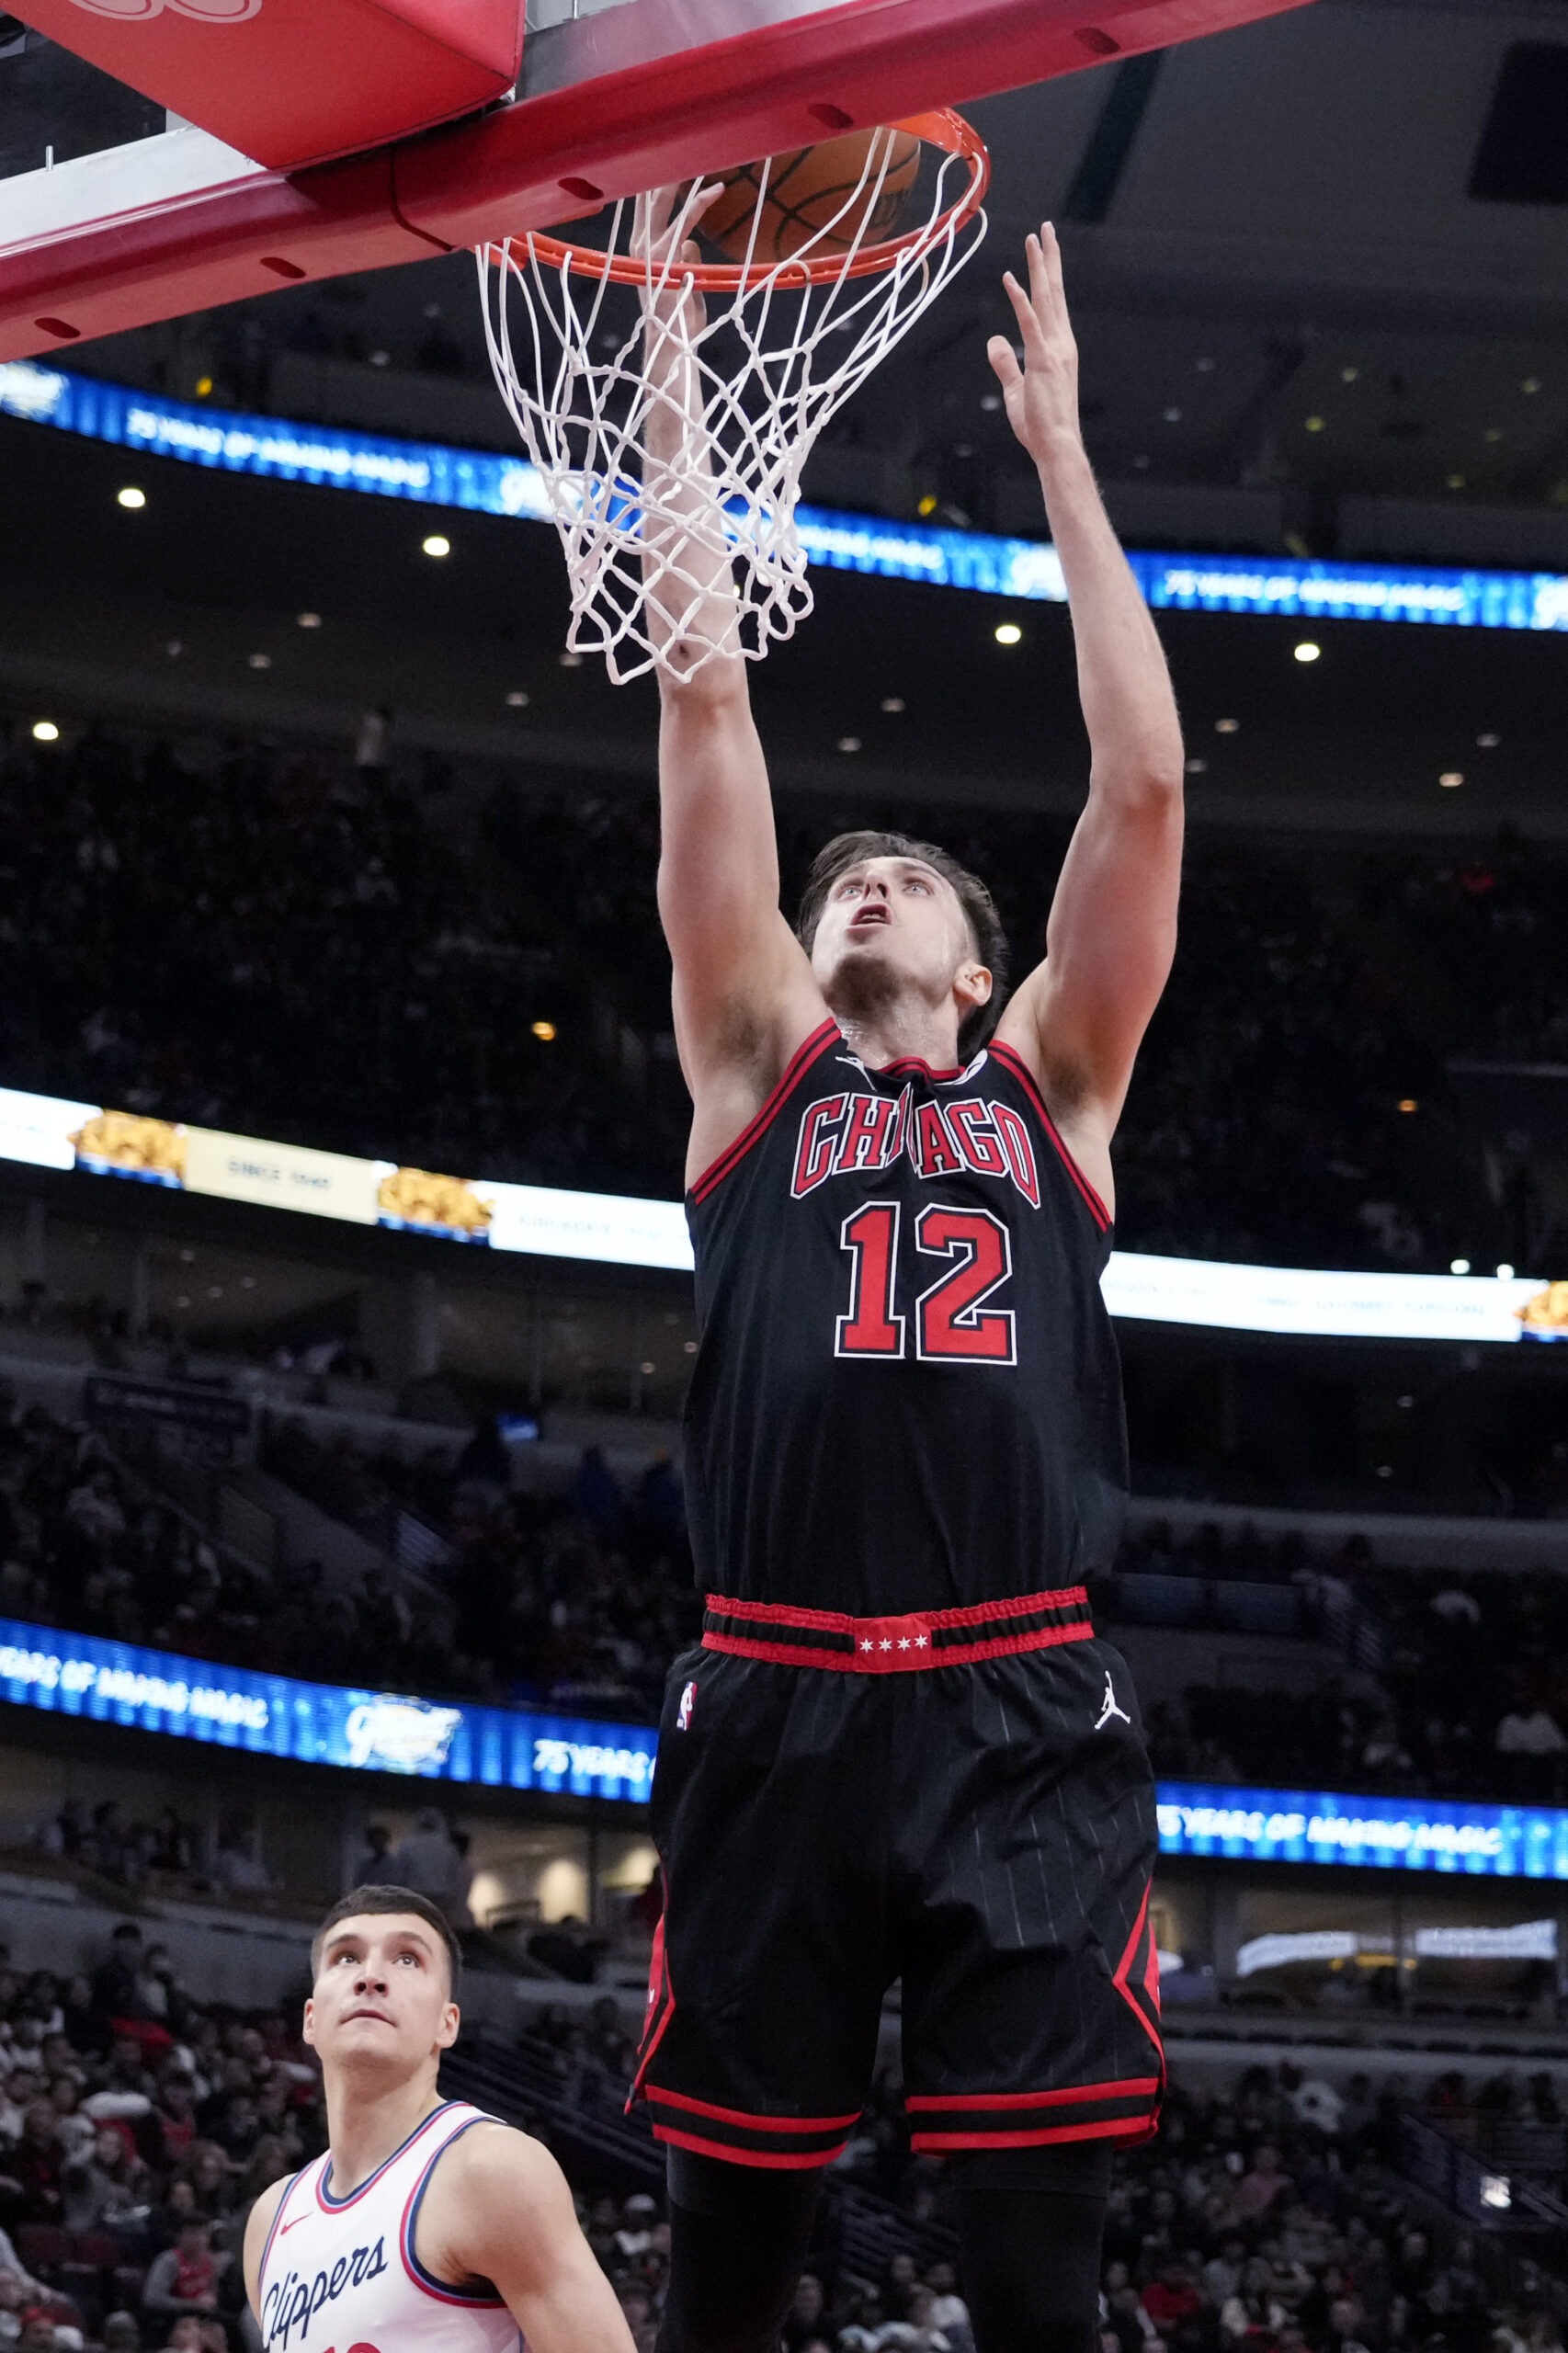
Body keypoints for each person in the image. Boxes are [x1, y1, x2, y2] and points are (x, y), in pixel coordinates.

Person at [631, 195, 1179, 2353]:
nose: (847, 880)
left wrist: (1057, 456)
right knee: (731, 2264)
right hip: (771, 1682)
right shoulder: (750, 1063)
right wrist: (673, 351)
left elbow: (1135, 780)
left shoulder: (1053, 1080)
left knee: (1033, 2263)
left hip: (1017, 1693)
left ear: (974, 960)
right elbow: (696, 688)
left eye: (896, 881)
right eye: (830, 873)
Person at [243, 1883, 632, 2353]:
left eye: (407, 1959)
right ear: (310, 2018)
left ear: (447, 2023)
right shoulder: (271, 2219)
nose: (370, 1976)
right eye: (346, 1957)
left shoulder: (490, 2169)